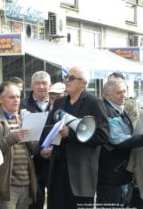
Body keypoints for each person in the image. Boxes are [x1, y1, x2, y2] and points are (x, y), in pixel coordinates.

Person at [40, 66, 109, 209]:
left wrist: (70, 135)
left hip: (80, 175)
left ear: (83, 83)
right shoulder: (60, 102)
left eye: (72, 78)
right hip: (57, 170)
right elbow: (47, 129)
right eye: (66, 77)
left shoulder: (94, 102)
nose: (67, 80)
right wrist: (45, 148)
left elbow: (103, 135)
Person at [0, 81, 37, 209]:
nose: (16, 100)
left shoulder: (22, 118)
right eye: (11, 97)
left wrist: (34, 130)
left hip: (25, 183)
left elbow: (33, 150)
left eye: (18, 96)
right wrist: (12, 138)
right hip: (5, 185)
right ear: (0, 99)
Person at [97, 79, 143, 208]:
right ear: (107, 95)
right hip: (111, 176)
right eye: (119, 93)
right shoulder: (106, 111)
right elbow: (118, 140)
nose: (124, 95)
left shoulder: (117, 109)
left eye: (124, 91)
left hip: (119, 174)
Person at [20, 71, 51, 209]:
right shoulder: (23, 105)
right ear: (31, 86)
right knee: (36, 199)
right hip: (32, 160)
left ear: (49, 85)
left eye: (44, 83)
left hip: (53, 156)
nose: (41, 86)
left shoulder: (58, 104)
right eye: (38, 83)